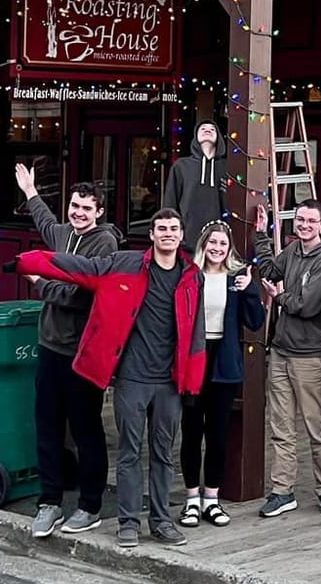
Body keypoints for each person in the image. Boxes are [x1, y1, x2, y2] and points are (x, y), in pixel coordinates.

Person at [16, 209, 205, 550]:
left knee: (164, 453)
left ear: (181, 235)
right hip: (133, 378)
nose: (167, 234)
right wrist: (29, 262)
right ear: (151, 234)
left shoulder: (193, 277)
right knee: (130, 453)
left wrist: (192, 380)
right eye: (161, 228)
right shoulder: (125, 263)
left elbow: (197, 333)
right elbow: (80, 268)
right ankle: (128, 522)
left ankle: (161, 521)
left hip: (169, 382)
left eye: (173, 229)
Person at [14, 166, 121, 540]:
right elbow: (46, 221)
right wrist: (29, 191)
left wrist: (40, 283)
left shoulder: (103, 245)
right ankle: (50, 501)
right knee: (47, 425)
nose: (78, 213)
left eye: (86, 209)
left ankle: (90, 505)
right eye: (75, 206)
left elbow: (79, 297)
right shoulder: (63, 233)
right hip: (49, 347)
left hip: (82, 352)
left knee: (86, 429)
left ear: (99, 212)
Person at [245, 198, 321, 519]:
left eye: (310, 221)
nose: (304, 226)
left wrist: (278, 297)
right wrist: (261, 234)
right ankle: (282, 491)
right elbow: (272, 269)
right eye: (300, 220)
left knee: (316, 428)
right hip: (281, 351)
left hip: (310, 355)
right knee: (281, 427)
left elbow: (308, 305)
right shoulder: (293, 250)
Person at [180, 207, 270, 527]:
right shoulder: (190, 276)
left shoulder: (236, 279)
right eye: (212, 242)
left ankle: (212, 498)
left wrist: (250, 291)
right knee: (191, 433)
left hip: (224, 360)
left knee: (217, 435)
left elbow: (256, 322)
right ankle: (191, 498)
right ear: (203, 245)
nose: (217, 248)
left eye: (223, 243)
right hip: (195, 359)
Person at [161, 121, 229, 246]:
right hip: (187, 240)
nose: (207, 130)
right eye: (202, 128)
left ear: (219, 136)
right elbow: (170, 202)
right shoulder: (181, 166)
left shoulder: (228, 167)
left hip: (219, 241)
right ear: (195, 136)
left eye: (212, 129)